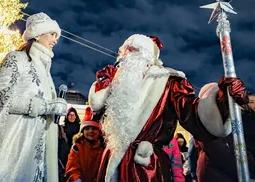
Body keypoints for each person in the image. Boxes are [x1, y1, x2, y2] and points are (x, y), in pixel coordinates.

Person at [88, 34, 249, 182]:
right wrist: (103, 84)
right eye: (125, 50)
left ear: (147, 56)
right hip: (112, 162)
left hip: (146, 166)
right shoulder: (117, 84)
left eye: (134, 50)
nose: (127, 54)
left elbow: (193, 114)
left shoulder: (169, 82)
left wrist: (223, 99)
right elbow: (97, 113)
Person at [0, 12, 67, 182]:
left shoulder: (46, 71)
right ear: (38, 35)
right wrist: (45, 107)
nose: (55, 40)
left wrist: (54, 107)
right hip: (13, 147)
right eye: (52, 34)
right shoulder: (17, 58)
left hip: (35, 151)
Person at [195, 83, 255, 182]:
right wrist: (246, 174)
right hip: (217, 175)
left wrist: (251, 169)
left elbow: (242, 148)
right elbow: (222, 155)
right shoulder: (206, 122)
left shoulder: (230, 119)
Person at [65, 107, 105, 182]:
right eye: (87, 128)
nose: (90, 131)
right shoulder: (77, 147)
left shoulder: (104, 148)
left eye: (94, 128)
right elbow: (72, 166)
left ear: (99, 131)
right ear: (82, 132)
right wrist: (76, 179)